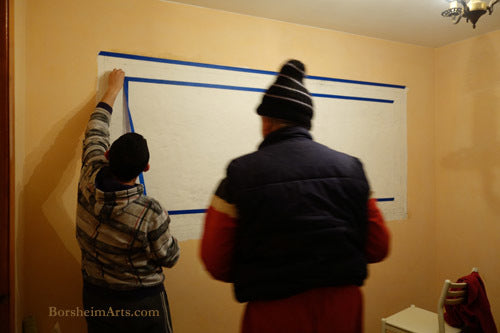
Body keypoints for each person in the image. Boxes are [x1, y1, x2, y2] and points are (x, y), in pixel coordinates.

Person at [200, 60, 390, 333]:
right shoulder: (352, 169)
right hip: (342, 309)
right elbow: (378, 247)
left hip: (273, 312)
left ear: (266, 122)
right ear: (306, 122)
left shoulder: (240, 174)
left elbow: (215, 261)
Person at [76, 69, 180, 333]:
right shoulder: (150, 212)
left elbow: (95, 130)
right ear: (146, 168)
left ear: (108, 154)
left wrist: (112, 90)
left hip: (95, 295)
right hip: (142, 302)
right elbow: (170, 257)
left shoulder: (90, 172)